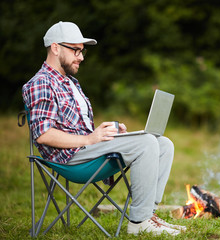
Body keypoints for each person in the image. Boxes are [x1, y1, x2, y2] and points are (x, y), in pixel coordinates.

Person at [22, 21, 186, 236]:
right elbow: (43, 135)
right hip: (70, 159)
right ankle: (139, 222)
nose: (81, 56)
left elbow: (81, 130)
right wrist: (91, 139)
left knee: (163, 143)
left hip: (87, 150)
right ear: (55, 48)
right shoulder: (41, 83)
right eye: (76, 50)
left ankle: (149, 215)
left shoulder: (71, 82)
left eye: (82, 51)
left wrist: (110, 134)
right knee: (146, 142)